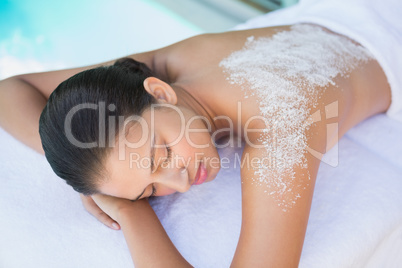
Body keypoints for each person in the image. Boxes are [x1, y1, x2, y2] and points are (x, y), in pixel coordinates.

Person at [0, 0, 399, 266]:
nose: (180, 182)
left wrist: (132, 214)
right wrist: (96, 174)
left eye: (164, 156)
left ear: (159, 92)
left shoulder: (281, 127)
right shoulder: (162, 70)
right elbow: (9, 91)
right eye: (150, 192)